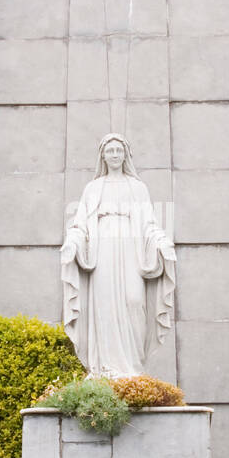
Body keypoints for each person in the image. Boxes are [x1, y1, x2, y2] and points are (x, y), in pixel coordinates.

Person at [61, 133, 176, 377]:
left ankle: (133, 368)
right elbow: (80, 225)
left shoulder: (138, 188)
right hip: (102, 250)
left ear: (126, 155)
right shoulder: (93, 189)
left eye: (118, 151)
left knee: (134, 300)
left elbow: (149, 225)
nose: (114, 155)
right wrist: (72, 242)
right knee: (103, 304)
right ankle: (105, 368)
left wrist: (161, 242)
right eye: (110, 151)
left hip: (131, 249)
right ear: (102, 155)